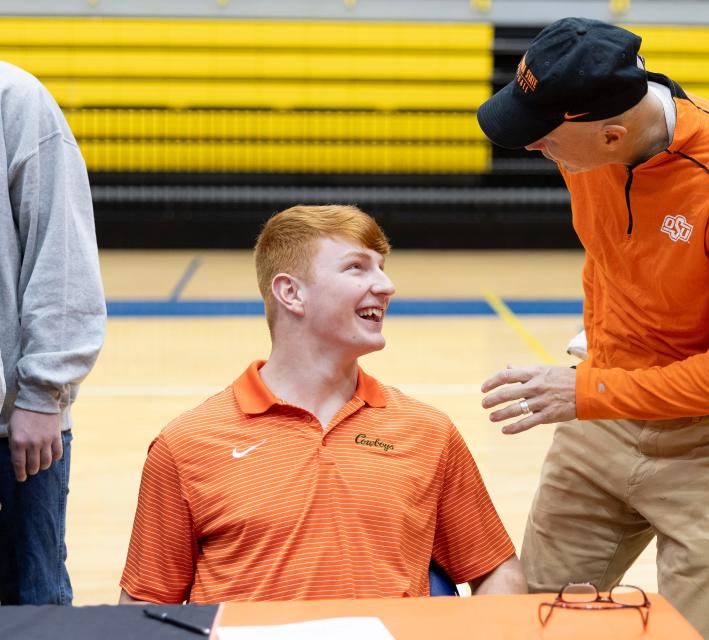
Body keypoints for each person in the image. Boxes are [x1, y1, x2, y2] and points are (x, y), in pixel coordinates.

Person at [476, 18, 709, 640]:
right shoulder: (585, 152)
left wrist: (587, 392)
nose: (534, 149)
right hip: (605, 416)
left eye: (545, 140)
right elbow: (610, 254)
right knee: (532, 620)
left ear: (611, 134)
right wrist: (606, 341)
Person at [119, 204, 525, 604]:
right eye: (357, 267)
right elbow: (145, 605)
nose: (386, 285)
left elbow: (496, 569)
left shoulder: (427, 431)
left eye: (382, 267)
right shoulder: (187, 444)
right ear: (291, 293)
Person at [0, 61, 107, 605]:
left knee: (31, 609)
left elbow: (60, 253)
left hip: (9, 431)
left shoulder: (13, 98)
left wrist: (43, 395)